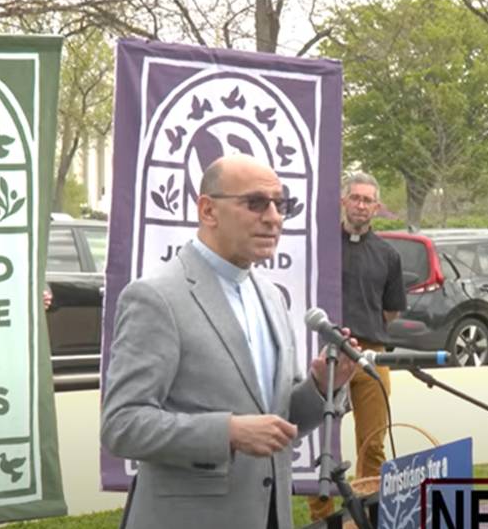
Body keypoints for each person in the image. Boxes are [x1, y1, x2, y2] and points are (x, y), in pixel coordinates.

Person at [101, 154, 357, 529]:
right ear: (208, 210)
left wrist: (320, 387)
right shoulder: (156, 297)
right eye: (255, 203)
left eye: (280, 203)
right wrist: (228, 432)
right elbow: (121, 425)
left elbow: (276, 419)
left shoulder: (270, 296)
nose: (274, 217)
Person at [307, 172, 406, 520]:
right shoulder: (321, 245)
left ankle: (365, 515)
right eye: (356, 198)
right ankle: (322, 516)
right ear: (343, 201)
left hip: (370, 354)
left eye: (368, 200)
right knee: (322, 442)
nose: (361, 205)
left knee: (374, 440)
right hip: (326, 354)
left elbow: (391, 310)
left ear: (376, 207)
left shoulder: (388, 254)